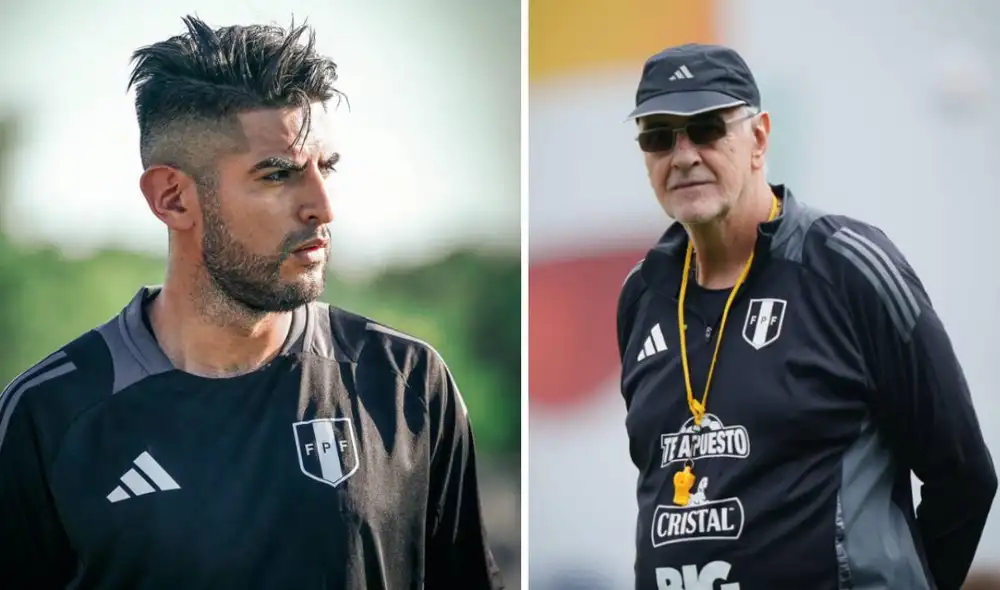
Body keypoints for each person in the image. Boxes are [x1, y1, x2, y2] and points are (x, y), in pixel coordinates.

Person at [0, 16, 503, 590]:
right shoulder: (48, 416)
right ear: (173, 198)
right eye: (278, 174)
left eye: (327, 167)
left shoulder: (406, 385)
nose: (322, 205)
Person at [616, 43, 996, 590]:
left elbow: (962, 474)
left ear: (759, 138)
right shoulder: (642, 295)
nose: (682, 156)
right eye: (658, 136)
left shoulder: (848, 268)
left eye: (705, 128)